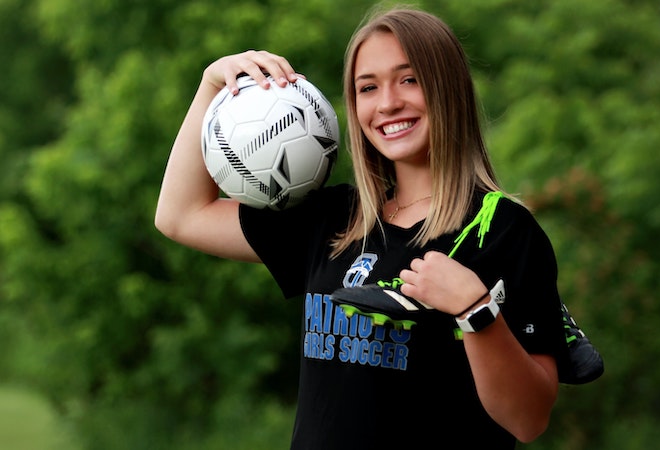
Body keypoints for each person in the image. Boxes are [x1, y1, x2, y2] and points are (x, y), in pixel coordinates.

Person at [156, 5, 582, 449]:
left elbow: (528, 419)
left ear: (448, 87)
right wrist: (212, 87)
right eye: (367, 87)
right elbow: (180, 215)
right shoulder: (333, 217)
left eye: (409, 79)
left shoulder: (502, 231)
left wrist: (476, 311)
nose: (388, 103)